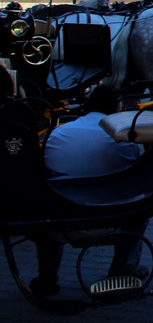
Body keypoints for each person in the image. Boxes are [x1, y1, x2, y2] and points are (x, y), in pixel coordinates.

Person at [32, 86, 146, 296]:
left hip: (60, 219)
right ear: (117, 107)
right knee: (141, 206)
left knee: (47, 202)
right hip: (107, 218)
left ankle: (47, 276)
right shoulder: (121, 139)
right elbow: (136, 173)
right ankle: (124, 267)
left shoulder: (58, 134)